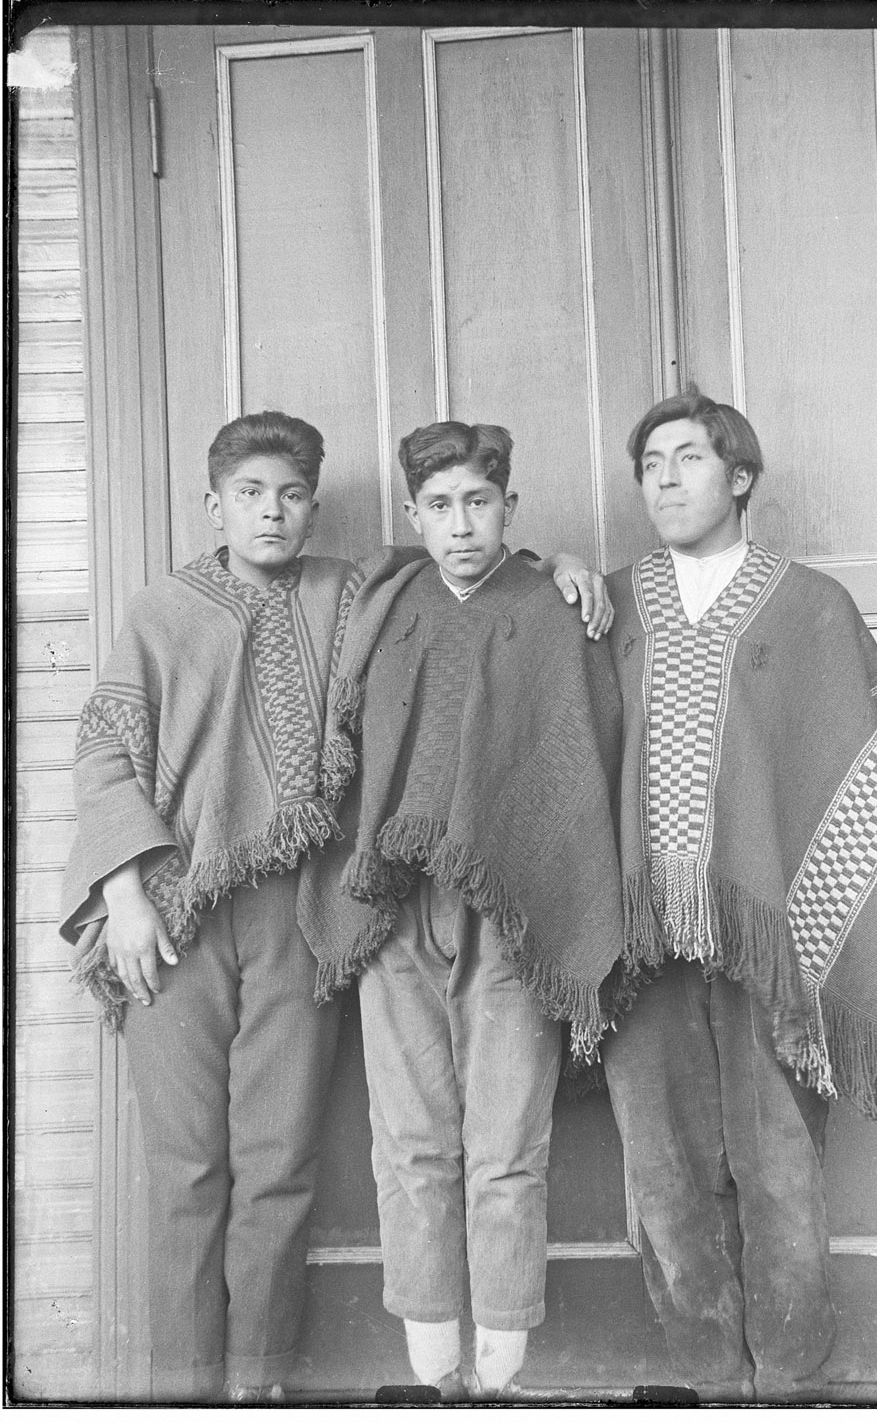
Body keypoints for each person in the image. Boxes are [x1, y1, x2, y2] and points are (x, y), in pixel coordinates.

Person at [58, 410, 612, 1403]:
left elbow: (465, 572)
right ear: (213, 506)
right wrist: (124, 890)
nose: (270, 513)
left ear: (315, 508)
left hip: (303, 911)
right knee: (186, 1169)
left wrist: (558, 565)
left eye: (290, 496)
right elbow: (103, 747)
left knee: (279, 1165)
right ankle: (180, 1392)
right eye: (249, 495)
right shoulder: (161, 612)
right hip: (176, 908)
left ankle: (257, 1385)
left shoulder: (353, 591)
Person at [599, 389, 877, 1402]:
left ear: (738, 476)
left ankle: (785, 1379)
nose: (664, 480)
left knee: (776, 1156)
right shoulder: (608, 604)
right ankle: (706, 1376)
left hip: (772, 934)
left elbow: (855, 751)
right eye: (649, 464)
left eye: (688, 459)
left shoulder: (808, 603)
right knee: (659, 1165)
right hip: (640, 936)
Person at [299, 421, 624, 1401]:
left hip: (514, 908)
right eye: (438, 506)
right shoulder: (385, 598)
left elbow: (581, 757)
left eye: (478, 503)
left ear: (508, 507)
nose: (459, 525)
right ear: (413, 513)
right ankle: (433, 1363)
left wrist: (558, 565)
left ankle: (500, 1367)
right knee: (408, 1140)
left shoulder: (549, 608)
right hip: (392, 903)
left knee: (505, 1145)